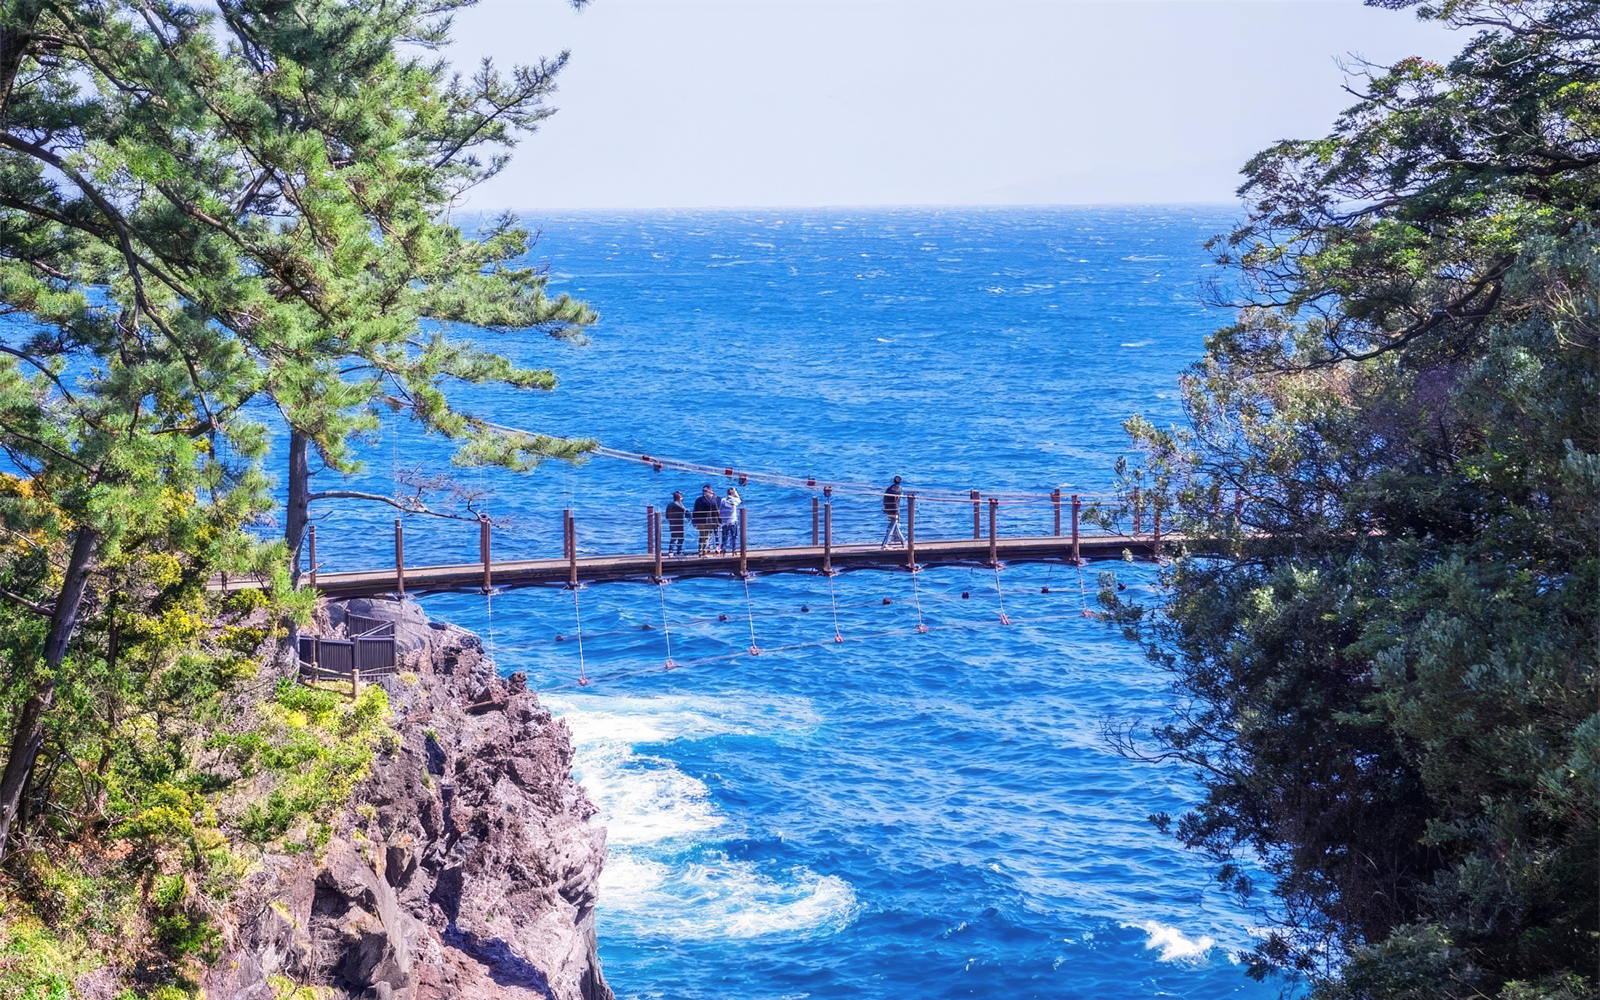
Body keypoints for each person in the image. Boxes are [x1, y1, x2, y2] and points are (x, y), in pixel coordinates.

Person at [692, 484, 721, 556]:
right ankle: (703, 551)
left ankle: (704, 550)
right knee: (704, 537)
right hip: (702, 521)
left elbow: (717, 509)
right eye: (703, 491)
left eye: (705, 491)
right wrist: (694, 521)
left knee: (707, 536)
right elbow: (695, 511)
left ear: (710, 490)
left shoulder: (715, 499)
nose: (704, 492)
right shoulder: (700, 499)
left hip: (710, 521)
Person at [881, 475, 906, 548]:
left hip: (887, 509)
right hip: (894, 510)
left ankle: (902, 542)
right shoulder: (899, 489)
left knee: (895, 525)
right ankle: (885, 543)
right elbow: (897, 501)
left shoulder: (889, 489)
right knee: (894, 525)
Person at [664, 491, 688, 557]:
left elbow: (667, 516)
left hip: (672, 524)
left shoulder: (669, 505)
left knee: (673, 538)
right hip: (679, 524)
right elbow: (685, 512)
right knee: (680, 538)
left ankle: (670, 551)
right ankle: (679, 551)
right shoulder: (679, 505)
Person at [718, 486, 742, 553]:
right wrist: (735, 493)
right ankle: (733, 549)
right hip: (732, 521)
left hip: (724, 521)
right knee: (733, 536)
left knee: (724, 537)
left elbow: (720, 509)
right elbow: (739, 500)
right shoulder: (734, 500)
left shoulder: (723, 500)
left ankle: (723, 549)